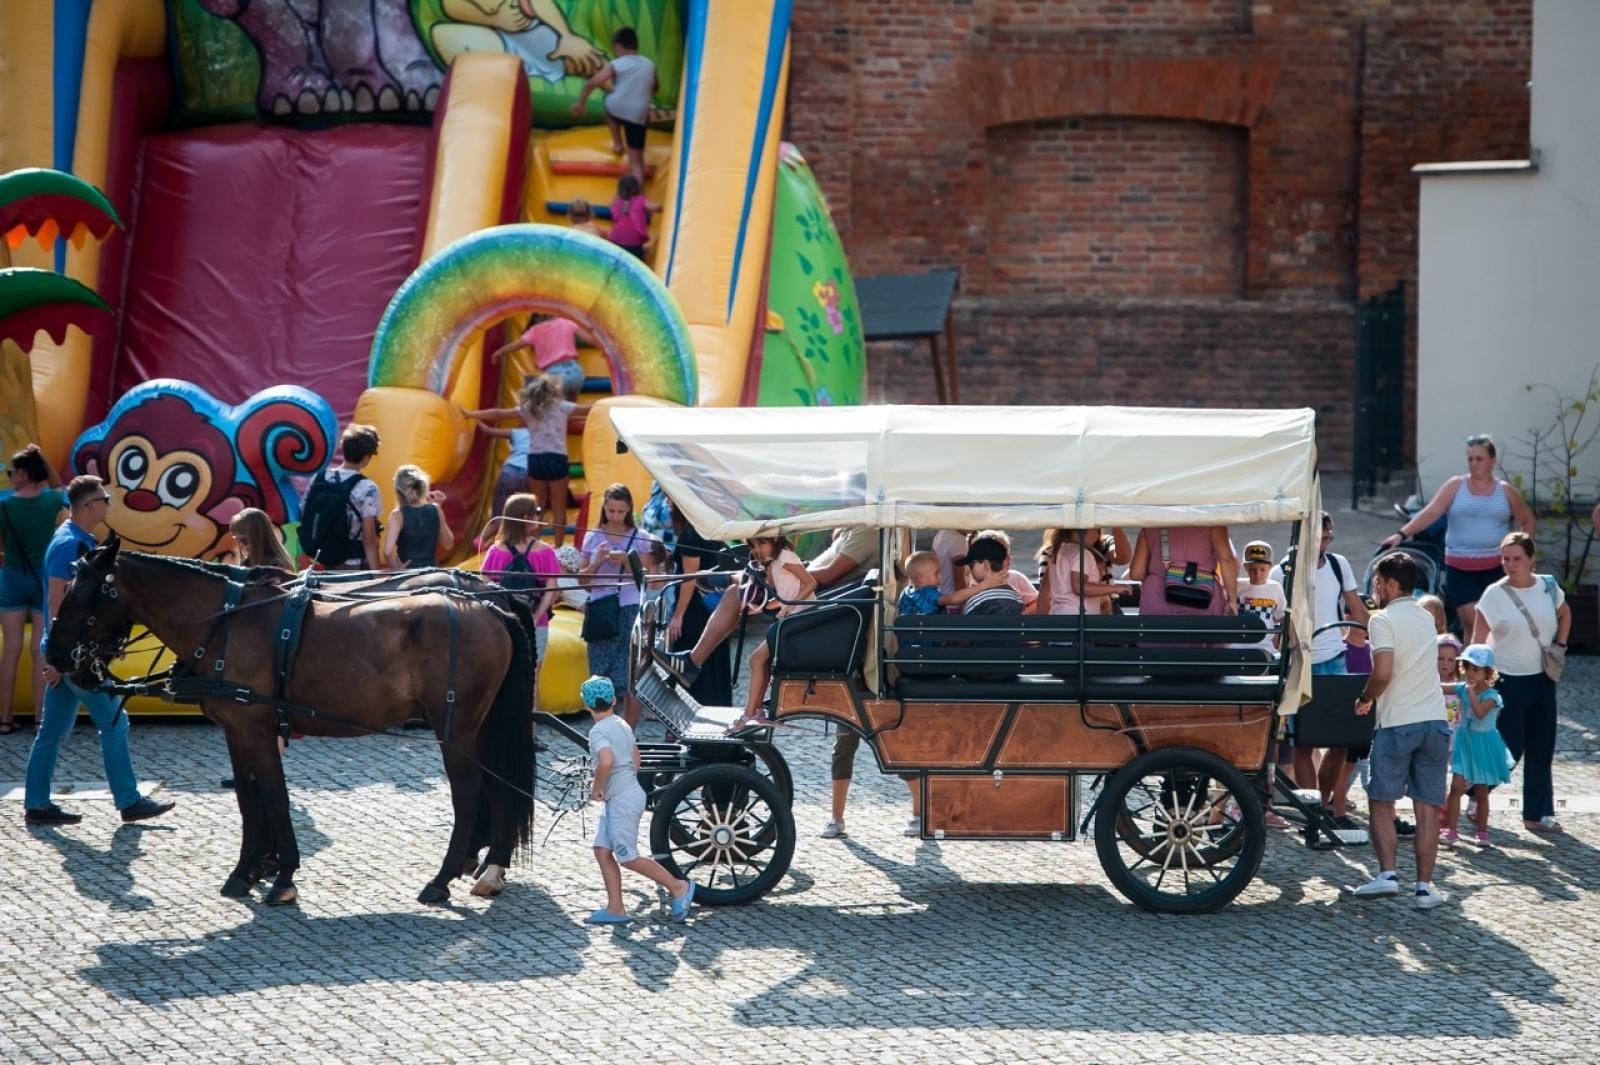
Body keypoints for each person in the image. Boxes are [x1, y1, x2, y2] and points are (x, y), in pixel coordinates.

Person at [22, 476, 175, 825]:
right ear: (90, 505)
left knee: (51, 732)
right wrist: (60, 659)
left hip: (71, 653)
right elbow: (58, 604)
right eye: (105, 498)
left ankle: (37, 805)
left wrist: (100, 645)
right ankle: (129, 800)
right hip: (72, 658)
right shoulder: (69, 546)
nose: (109, 503)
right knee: (115, 722)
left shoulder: (78, 540)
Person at [1351, 552, 1450, 909]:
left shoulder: (1382, 620)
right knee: (1427, 809)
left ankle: (1388, 875)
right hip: (1435, 721)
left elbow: (1382, 674)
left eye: (1378, 582)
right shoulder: (1427, 617)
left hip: (1398, 722)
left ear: (1392, 584)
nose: (1375, 588)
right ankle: (1424, 888)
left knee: (1381, 800)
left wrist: (1365, 698)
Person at [1382, 433, 1535, 638]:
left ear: (1492, 461)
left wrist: (1525, 555)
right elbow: (1431, 512)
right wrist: (1401, 534)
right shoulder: (1456, 486)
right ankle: (1470, 669)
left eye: (1479, 458)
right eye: (1470, 458)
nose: (1473, 463)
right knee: (1472, 621)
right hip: (1460, 568)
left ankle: (1490, 667)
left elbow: (1528, 520)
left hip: (1496, 568)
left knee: (1495, 624)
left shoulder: (1505, 491)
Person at [1271, 513, 1371, 825]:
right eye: (1319, 539)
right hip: (1301, 663)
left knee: (1340, 739)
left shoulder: (1339, 564)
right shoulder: (1283, 571)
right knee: (1305, 742)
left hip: (1335, 659)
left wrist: (1361, 633)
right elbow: (1276, 624)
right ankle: (1312, 811)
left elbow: (1359, 613)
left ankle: (1326, 805)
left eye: (1329, 538)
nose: (1325, 544)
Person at [1471, 531, 1570, 835]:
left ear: (1531, 560)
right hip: (1507, 679)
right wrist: (1476, 681)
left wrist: (1560, 646)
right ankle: (1477, 794)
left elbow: (1565, 614)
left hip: (1542, 677)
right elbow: (1477, 640)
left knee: (1542, 745)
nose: (1510, 565)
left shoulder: (1548, 587)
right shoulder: (1494, 594)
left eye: (1517, 559)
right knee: (1509, 746)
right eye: (1506, 559)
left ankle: (1537, 813)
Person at [579, 675, 695, 924]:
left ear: (586, 705)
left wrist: (597, 788)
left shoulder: (598, 732)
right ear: (612, 699)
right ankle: (615, 908)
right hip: (628, 794)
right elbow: (636, 759)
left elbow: (606, 761)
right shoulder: (621, 723)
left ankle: (678, 887)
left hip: (621, 800)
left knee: (628, 857)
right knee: (602, 850)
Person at [468, 374, 586, 548]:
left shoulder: (528, 409)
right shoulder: (562, 407)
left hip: (536, 460)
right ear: (554, 391)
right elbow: (589, 409)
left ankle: (535, 544)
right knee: (558, 508)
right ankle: (559, 547)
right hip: (557, 458)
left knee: (536, 507)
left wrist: (471, 414)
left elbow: (499, 414)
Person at [1, 445, 65, 733]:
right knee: (39, 649)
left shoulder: (3, 505)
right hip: (43, 578)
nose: (10, 477)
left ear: (23, 474)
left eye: (11, 472)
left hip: (11, 578)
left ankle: (5, 719)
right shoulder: (51, 501)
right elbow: (60, 487)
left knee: (10, 649)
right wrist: (43, 457)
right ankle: (40, 719)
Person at [581, 484, 645, 724]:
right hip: (600, 608)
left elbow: (647, 579)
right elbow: (583, 581)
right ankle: (603, 728)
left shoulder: (640, 537)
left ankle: (628, 732)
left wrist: (628, 563)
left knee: (631, 674)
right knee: (599, 673)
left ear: (628, 509)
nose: (616, 516)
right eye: (611, 511)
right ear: (604, 509)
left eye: (620, 511)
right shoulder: (592, 536)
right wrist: (597, 562)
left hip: (629, 607)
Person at [1440, 644, 1514, 847]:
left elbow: (1480, 713)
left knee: (1481, 791)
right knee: (1456, 787)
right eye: (1467, 668)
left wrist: (1470, 692)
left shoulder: (1492, 696)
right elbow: (1441, 688)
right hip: (1464, 742)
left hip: (1485, 745)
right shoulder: (1463, 688)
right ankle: (1451, 830)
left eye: (1475, 669)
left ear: (1487, 672)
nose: (1470, 673)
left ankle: (1482, 832)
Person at [664, 500, 733, 706]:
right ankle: (717, 707)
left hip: (695, 608)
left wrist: (678, 616)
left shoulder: (691, 532)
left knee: (692, 660)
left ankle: (693, 711)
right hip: (713, 606)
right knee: (714, 659)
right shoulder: (709, 526)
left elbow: (689, 578)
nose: (667, 505)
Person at [571, 26, 658, 186]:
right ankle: (637, 192)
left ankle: (618, 143)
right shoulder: (649, 65)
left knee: (608, 101)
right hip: (638, 115)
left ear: (618, 47)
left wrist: (580, 103)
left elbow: (592, 83)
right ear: (636, 45)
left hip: (617, 109)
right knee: (636, 160)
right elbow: (655, 87)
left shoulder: (616, 64)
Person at [482, 494, 560, 662]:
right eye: (537, 511)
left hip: (502, 621)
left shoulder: (496, 551)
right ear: (526, 517)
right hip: (536, 622)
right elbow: (551, 588)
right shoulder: (545, 552)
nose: (540, 515)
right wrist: (536, 616)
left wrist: (503, 609)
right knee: (533, 676)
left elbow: (485, 580)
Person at [300, 424, 382, 570]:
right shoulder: (367, 487)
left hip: (326, 558)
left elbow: (304, 512)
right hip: (354, 564)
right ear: (365, 458)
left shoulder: (318, 478)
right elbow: (369, 539)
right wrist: (376, 574)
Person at [1129, 525, 1238, 617]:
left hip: (1157, 599)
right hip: (1204, 596)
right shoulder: (1212, 520)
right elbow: (1226, 559)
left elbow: (1136, 573)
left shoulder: (1152, 523)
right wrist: (1232, 600)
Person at [1036, 527, 1133, 617]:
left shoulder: (1058, 553)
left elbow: (1045, 589)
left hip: (1059, 613)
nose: (1098, 532)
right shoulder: (1082, 553)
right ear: (1081, 532)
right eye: (1096, 528)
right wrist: (1115, 588)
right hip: (1080, 616)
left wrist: (1041, 624)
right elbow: (1079, 587)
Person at [488, 314, 587, 397]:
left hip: (554, 374)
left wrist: (500, 351)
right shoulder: (567, 323)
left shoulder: (535, 330)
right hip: (575, 372)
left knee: (552, 408)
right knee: (570, 408)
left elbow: (517, 344)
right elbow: (589, 339)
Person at [938, 529, 1037, 612]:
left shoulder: (1016, 578)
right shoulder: (968, 581)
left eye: (1007, 553)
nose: (1009, 558)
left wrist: (1023, 619)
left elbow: (1036, 601)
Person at [383, 465, 453, 569]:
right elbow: (448, 544)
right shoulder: (435, 509)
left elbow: (388, 552)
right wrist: (439, 511)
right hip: (430, 571)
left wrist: (396, 569)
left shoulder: (397, 515)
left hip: (408, 573)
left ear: (397, 490)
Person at [1235, 540, 1287, 650]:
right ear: (1245, 567)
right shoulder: (1237, 585)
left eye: (1262, 570)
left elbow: (1281, 616)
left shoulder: (1275, 588)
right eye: (1253, 570)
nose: (1258, 575)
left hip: (1264, 645)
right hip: (1238, 645)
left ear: (1270, 567)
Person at [605, 174, 656, 260]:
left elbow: (614, 213)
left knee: (616, 258)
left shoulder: (617, 202)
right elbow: (655, 207)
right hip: (634, 243)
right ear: (637, 189)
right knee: (636, 258)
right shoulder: (640, 200)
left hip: (616, 239)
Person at [228, 508, 295, 571]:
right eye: (237, 540)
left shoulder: (278, 566)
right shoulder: (247, 563)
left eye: (244, 541)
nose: (241, 545)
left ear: (259, 538)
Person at [931, 529, 968, 597]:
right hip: (953, 597)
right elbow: (958, 579)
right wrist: (963, 603)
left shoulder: (940, 533)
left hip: (940, 592)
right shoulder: (958, 539)